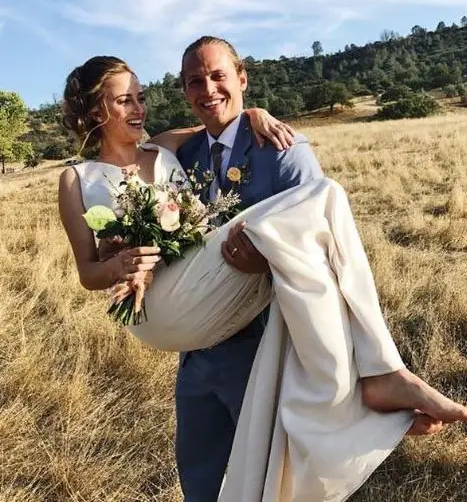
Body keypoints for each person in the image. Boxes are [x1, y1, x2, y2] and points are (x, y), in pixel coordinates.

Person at [59, 52, 467, 502]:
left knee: (220, 473)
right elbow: (87, 273)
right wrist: (118, 265)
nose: (139, 109)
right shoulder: (76, 180)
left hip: (198, 297)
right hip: (151, 309)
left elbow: (218, 118)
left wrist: (254, 111)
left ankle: (370, 385)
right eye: (124, 101)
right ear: (96, 110)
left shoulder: (163, 147)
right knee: (324, 197)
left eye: (141, 98)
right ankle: (381, 373)